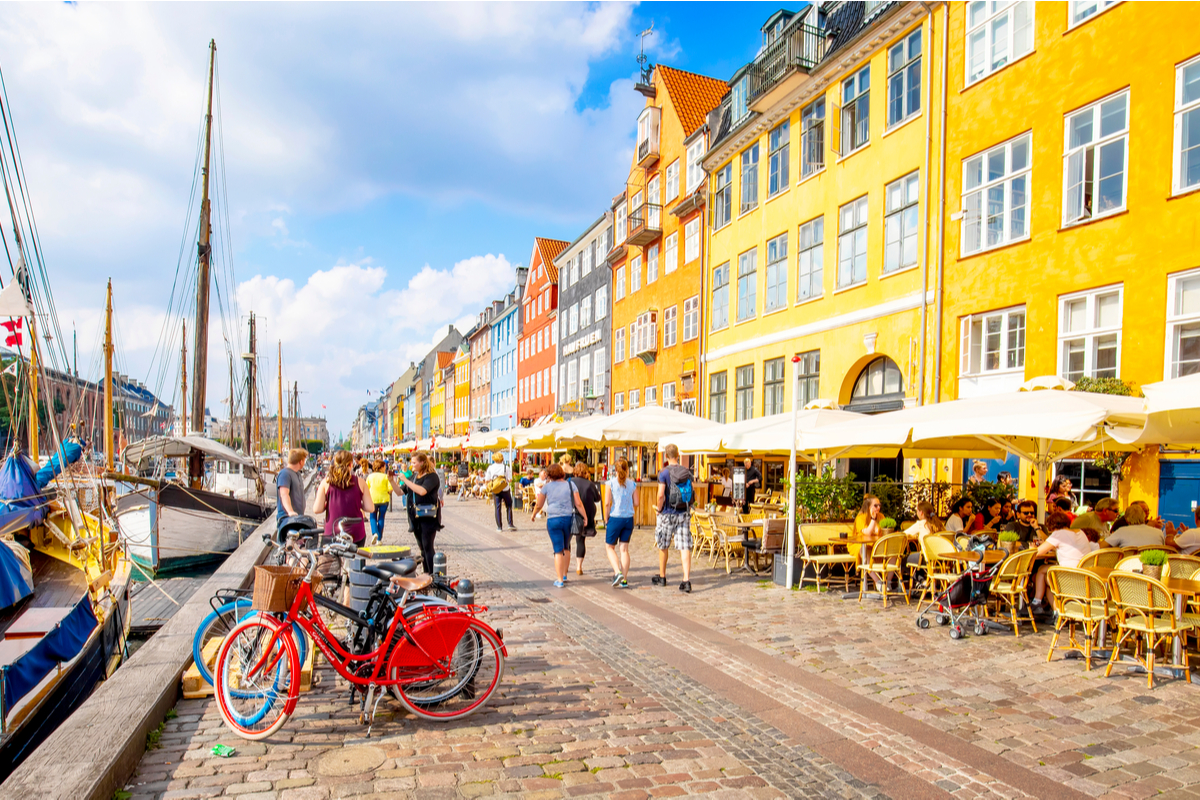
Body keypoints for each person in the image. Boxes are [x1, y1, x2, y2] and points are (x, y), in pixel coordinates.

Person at [529, 463, 586, 588]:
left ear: (549, 475)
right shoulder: (571, 485)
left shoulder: (546, 487)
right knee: (566, 547)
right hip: (568, 518)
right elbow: (579, 503)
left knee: (557, 550)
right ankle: (564, 575)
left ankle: (559, 579)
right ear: (562, 473)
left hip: (553, 519)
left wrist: (534, 515)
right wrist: (585, 517)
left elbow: (539, 504)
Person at [1030, 510, 1096, 615]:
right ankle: (1053, 611)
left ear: (1052, 525)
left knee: (1044, 575)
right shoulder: (1080, 532)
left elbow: (1037, 553)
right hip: (1084, 576)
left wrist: (1032, 548)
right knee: (1043, 570)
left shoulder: (1058, 534)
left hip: (1067, 576)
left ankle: (1039, 603)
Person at [654, 444, 695, 592]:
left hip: (667, 513)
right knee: (684, 546)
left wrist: (659, 509)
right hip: (683, 512)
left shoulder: (664, 473)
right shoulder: (686, 471)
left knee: (663, 544)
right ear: (678, 455)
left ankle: (663, 577)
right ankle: (686, 580)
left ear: (666, 456)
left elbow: (660, 495)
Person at [313, 450, 373, 546]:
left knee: (332, 561)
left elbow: (317, 509)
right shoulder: (360, 482)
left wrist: (328, 504)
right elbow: (370, 508)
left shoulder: (326, 482)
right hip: (356, 533)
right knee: (355, 560)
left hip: (332, 532)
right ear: (351, 464)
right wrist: (357, 504)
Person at [393, 452, 441, 573]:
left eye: (414, 462)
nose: (411, 465)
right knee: (422, 548)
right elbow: (399, 492)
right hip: (416, 517)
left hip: (428, 517)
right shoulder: (414, 477)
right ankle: (426, 573)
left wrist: (405, 480)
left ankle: (432, 575)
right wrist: (391, 481)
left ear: (422, 463)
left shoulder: (432, 476)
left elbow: (422, 491)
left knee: (428, 546)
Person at [604, 457, 638, 588]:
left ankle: (617, 572)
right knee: (624, 549)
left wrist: (606, 517)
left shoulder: (610, 483)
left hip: (615, 517)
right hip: (628, 518)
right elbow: (637, 503)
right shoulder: (632, 484)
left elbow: (607, 503)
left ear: (615, 470)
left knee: (609, 547)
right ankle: (624, 579)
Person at [570, 463, 602, 576]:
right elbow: (597, 498)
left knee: (567, 539)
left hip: (571, 512)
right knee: (580, 540)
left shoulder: (570, 482)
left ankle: (565, 563)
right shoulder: (590, 484)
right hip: (585, 515)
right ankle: (579, 567)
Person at [904, 501, 946, 569]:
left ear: (921, 512)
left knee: (903, 560)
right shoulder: (939, 524)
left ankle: (920, 579)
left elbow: (904, 534)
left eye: (917, 511)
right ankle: (924, 578)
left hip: (927, 558)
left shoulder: (921, 524)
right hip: (941, 559)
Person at [276, 447, 308, 525]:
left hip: (297, 518)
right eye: (304, 460)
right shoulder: (285, 474)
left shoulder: (297, 474)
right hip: (287, 519)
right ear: (301, 461)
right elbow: (284, 494)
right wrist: (290, 511)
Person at [486, 452, 516, 532]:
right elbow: (510, 479)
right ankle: (510, 524)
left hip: (495, 489)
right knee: (509, 505)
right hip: (505, 488)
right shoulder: (506, 467)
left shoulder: (491, 467)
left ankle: (499, 527)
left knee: (497, 507)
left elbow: (487, 479)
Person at [366, 459, 392, 544]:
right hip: (384, 500)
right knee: (381, 518)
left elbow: (366, 488)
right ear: (381, 467)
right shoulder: (385, 477)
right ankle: (379, 539)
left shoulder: (370, 476)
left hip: (373, 500)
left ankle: (374, 533)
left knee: (372, 517)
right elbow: (390, 489)